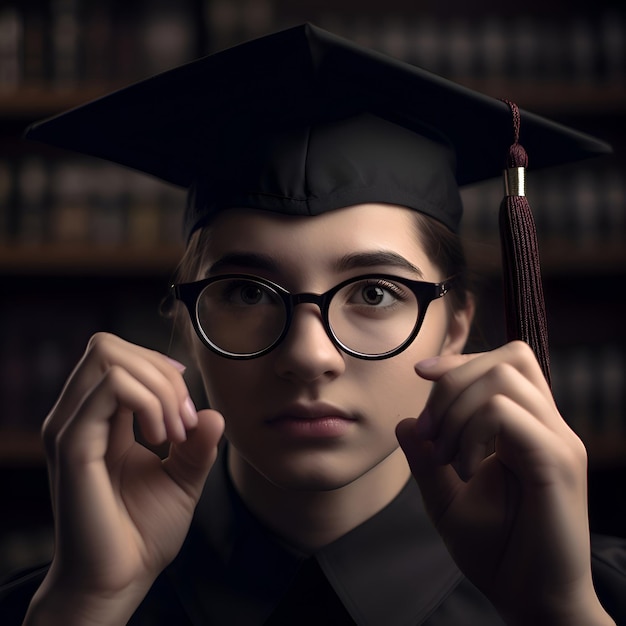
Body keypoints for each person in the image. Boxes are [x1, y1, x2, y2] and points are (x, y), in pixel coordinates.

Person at [1, 23, 625, 625]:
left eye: (376, 292)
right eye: (246, 291)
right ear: (186, 322)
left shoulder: (593, 603)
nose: (309, 355)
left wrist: (560, 615)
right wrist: (84, 609)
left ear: (456, 324)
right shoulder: (56, 607)